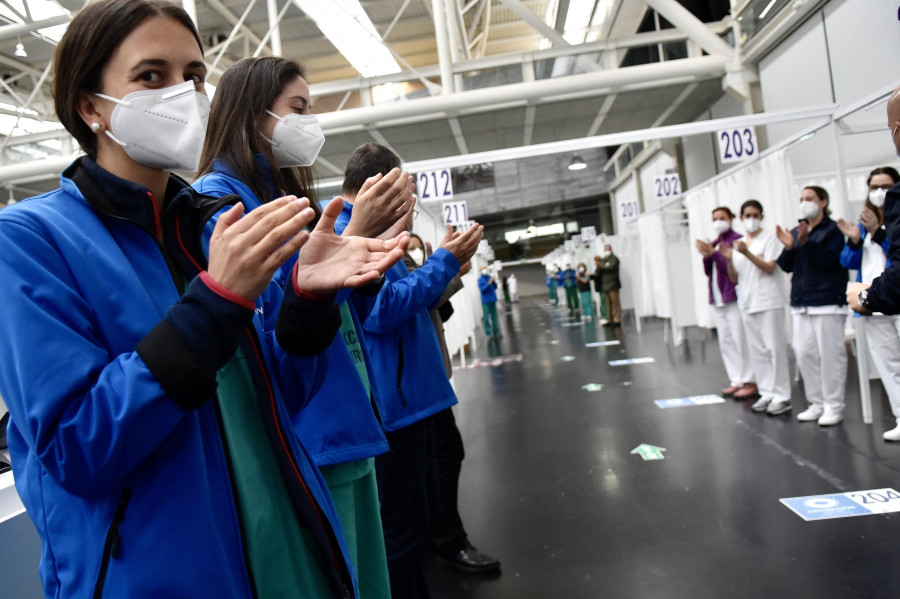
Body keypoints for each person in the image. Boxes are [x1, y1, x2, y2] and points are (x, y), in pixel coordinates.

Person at [0, 3, 409, 598]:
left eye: (192, 75)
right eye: (150, 76)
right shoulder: (31, 241)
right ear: (90, 107)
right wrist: (216, 305)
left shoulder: (214, 228)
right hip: (164, 575)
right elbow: (75, 447)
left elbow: (286, 397)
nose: (183, 94)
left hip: (286, 550)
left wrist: (305, 304)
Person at [192, 56, 416, 597]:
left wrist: (362, 262)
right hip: (307, 437)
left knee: (367, 578)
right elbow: (271, 322)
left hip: (345, 418)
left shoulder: (284, 201)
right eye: (298, 109)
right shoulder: (220, 203)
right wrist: (349, 244)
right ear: (253, 113)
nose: (308, 122)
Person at [336, 143, 484, 599]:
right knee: (401, 530)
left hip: (413, 398)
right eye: (405, 192)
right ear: (380, 187)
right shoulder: (347, 236)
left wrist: (445, 267)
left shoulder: (374, 234)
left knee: (414, 523)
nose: (411, 204)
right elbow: (380, 309)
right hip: (394, 406)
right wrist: (444, 263)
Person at [402, 234, 501, 574]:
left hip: (419, 376)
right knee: (440, 455)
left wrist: (445, 267)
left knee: (439, 456)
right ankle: (446, 539)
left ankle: (438, 536)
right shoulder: (374, 248)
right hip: (411, 380)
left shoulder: (392, 250)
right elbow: (406, 302)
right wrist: (448, 268)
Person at [776, 186, 848, 426]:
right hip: (801, 301)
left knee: (831, 356)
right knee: (804, 353)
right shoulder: (798, 231)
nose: (804, 203)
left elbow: (829, 262)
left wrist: (806, 242)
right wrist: (789, 247)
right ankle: (816, 403)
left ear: (823, 202)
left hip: (827, 301)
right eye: (801, 199)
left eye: (809, 199)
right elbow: (787, 266)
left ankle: (833, 405)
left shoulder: (834, 231)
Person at [838, 167, 900, 440]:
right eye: (874, 187)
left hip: (896, 297)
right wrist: (854, 240)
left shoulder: (894, 221)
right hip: (871, 300)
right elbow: (847, 262)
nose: (879, 192)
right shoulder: (864, 222)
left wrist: (878, 232)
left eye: (885, 186)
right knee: (888, 363)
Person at [719, 200, 791, 415]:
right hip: (748, 302)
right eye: (747, 214)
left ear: (762, 216)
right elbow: (734, 277)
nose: (751, 218)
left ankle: (782, 395)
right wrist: (730, 259)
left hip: (769, 300)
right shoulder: (739, 242)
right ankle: (767, 391)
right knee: (758, 351)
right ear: (740, 217)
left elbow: (769, 267)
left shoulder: (769, 238)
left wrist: (747, 253)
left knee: (774, 349)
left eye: (756, 214)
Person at [696, 207, 756, 399]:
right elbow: (709, 271)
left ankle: (749, 380)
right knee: (727, 342)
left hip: (732, 298)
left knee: (740, 340)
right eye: (715, 218)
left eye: (722, 218)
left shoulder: (735, 241)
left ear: (731, 219)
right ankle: (736, 379)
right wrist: (707, 255)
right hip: (718, 299)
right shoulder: (715, 242)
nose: (718, 221)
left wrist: (712, 254)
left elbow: (730, 268)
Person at [594, 245, 622, 328]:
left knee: (615, 302)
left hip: (613, 284)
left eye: (608, 249)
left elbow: (610, 267)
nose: (607, 251)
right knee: (608, 303)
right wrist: (602, 265)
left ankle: (617, 318)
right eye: (605, 249)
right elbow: (601, 268)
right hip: (605, 285)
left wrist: (602, 266)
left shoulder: (614, 259)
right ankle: (610, 319)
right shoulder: (604, 259)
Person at [478, 266, 500, 338]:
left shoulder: (489, 277)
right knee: (486, 318)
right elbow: (482, 289)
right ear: (481, 271)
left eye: (485, 269)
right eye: (483, 269)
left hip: (492, 300)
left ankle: (496, 332)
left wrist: (493, 282)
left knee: (494, 317)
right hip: (486, 302)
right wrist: (489, 283)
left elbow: (495, 287)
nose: (484, 270)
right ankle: (489, 333)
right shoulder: (480, 280)